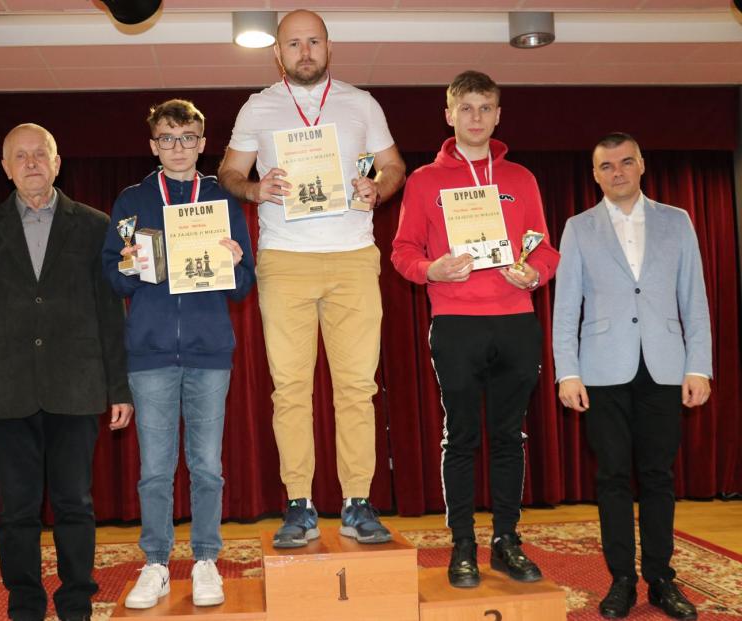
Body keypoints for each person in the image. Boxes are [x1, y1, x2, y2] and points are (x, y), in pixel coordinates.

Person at [217, 9, 405, 548]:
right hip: (285, 260)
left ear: (329, 46)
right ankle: (298, 503)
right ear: (278, 53)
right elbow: (230, 171)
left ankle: (357, 502)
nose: (305, 51)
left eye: (313, 41)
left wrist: (378, 187)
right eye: (294, 43)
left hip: (353, 257)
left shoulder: (361, 103)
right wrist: (254, 189)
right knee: (291, 389)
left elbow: (394, 166)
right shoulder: (258, 106)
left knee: (357, 388)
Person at [0, 123, 133, 621]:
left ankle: (76, 602)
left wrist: (119, 388)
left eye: (40, 154)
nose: (31, 163)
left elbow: (109, 313)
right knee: (16, 510)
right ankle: (25, 605)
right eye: (20, 156)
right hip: (5, 392)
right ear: (5, 169)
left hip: (76, 387)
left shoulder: (94, 225)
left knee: (75, 504)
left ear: (57, 163)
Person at [391, 71, 559, 589]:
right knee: (461, 437)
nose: (476, 117)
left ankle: (507, 541)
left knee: (509, 436)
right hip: (456, 323)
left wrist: (535, 274)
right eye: (466, 108)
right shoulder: (423, 181)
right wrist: (432, 270)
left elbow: (544, 249)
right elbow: (402, 252)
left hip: (515, 321)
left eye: (486, 107)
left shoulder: (521, 179)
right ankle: (462, 545)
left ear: (498, 115)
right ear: (449, 115)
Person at [102, 99, 254, 609]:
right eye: (167, 138)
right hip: (149, 353)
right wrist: (127, 265)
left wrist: (235, 261)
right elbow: (112, 277)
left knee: (207, 466)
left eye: (187, 138)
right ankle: (156, 563)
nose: (178, 148)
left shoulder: (222, 199)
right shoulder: (132, 201)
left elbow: (243, 284)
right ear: (154, 146)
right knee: (155, 469)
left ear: (202, 143)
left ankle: (206, 559)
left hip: (209, 352)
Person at [552, 132, 711, 620]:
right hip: (602, 369)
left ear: (642, 165)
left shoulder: (677, 221)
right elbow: (566, 307)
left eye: (625, 162)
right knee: (613, 476)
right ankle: (621, 578)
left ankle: (661, 579)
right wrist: (567, 372)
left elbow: (694, 298)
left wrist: (698, 365)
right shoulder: (578, 228)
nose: (617, 172)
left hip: (664, 366)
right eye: (607, 165)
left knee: (659, 476)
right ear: (595, 174)